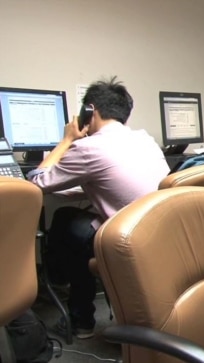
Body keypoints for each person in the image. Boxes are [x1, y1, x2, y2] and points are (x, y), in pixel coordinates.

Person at [27, 77, 169, 339]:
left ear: (89, 111)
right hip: (159, 230)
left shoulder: (87, 147)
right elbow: (108, 180)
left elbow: (37, 182)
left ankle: (78, 315)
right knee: (71, 219)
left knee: (69, 228)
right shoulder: (144, 139)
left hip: (128, 236)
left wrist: (67, 139)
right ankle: (76, 308)